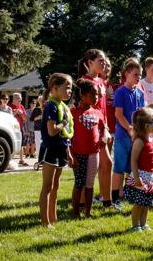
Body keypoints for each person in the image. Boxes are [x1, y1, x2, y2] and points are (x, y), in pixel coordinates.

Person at [39, 73, 75, 228]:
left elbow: (64, 134)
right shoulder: (51, 106)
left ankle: (53, 217)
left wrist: (69, 153)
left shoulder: (62, 106)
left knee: (55, 186)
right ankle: (45, 221)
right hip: (51, 149)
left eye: (71, 88)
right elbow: (52, 130)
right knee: (47, 186)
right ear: (54, 88)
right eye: (66, 87)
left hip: (61, 149)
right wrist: (64, 122)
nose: (69, 91)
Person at [78, 49, 113, 207]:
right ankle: (83, 202)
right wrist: (102, 129)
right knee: (92, 166)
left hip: (102, 128)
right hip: (92, 129)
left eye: (105, 60)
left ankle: (106, 200)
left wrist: (106, 127)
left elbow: (103, 108)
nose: (104, 63)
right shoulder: (85, 82)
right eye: (101, 60)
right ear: (90, 63)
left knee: (106, 164)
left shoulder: (101, 81)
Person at [112, 58, 146, 210]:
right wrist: (130, 129)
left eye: (140, 75)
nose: (138, 77)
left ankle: (128, 194)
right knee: (119, 167)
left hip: (136, 136)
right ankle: (114, 199)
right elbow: (119, 114)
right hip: (123, 135)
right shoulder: (120, 91)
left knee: (133, 168)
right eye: (135, 74)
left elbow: (141, 113)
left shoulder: (140, 92)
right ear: (126, 74)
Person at [71, 79, 106, 218]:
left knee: (90, 183)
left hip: (94, 153)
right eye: (92, 94)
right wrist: (71, 154)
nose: (96, 97)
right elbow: (68, 135)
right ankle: (75, 212)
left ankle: (88, 211)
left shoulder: (97, 112)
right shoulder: (73, 112)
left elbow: (104, 129)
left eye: (97, 94)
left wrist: (104, 136)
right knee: (79, 183)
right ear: (82, 95)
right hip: (79, 154)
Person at [124, 108, 153, 231]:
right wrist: (136, 178)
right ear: (146, 125)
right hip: (140, 176)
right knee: (139, 203)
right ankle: (135, 225)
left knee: (146, 203)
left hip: (150, 177)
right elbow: (134, 160)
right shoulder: (139, 141)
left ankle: (143, 224)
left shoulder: (152, 140)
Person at [8, 93, 30, 167]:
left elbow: (25, 119)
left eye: (21, 98)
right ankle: (9, 160)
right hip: (10, 128)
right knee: (11, 143)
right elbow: (7, 117)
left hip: (19, 128)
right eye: (19, 98)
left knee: (21, 144)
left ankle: (21, 160)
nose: (20, 100)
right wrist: (15, 112)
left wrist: (21, 114)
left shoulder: (21, 106)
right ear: (14, 99)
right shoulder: (9, 106)